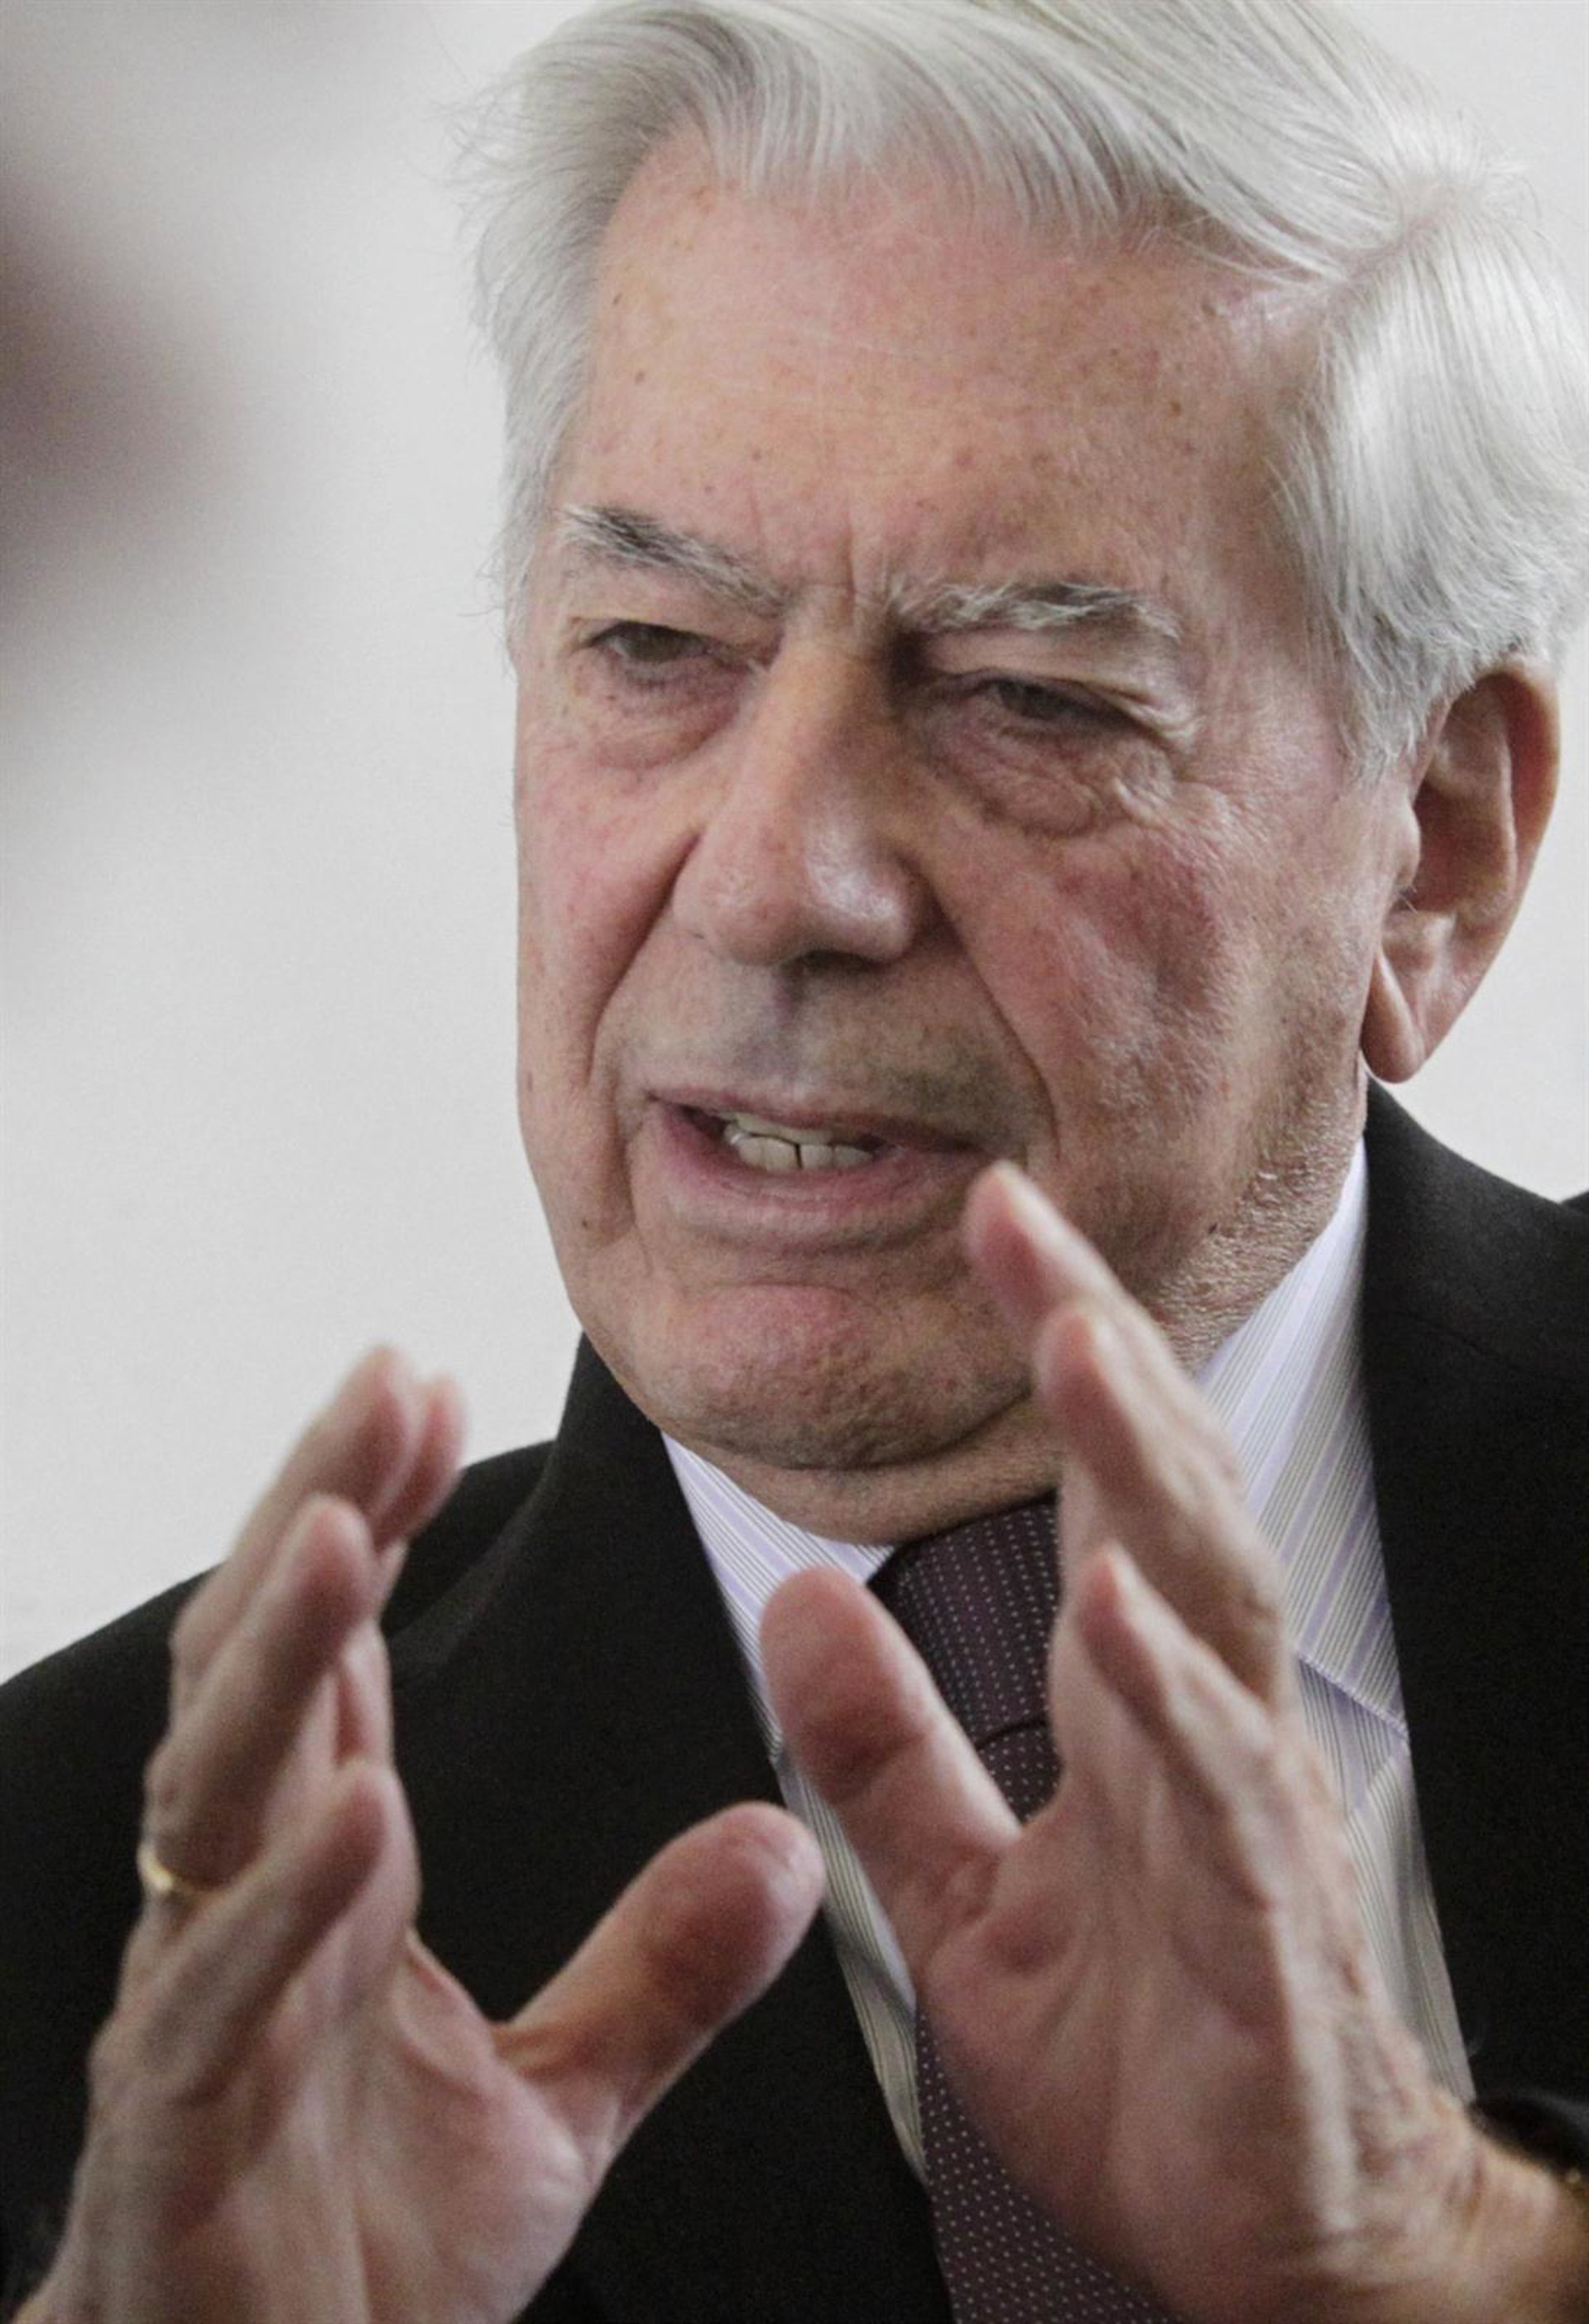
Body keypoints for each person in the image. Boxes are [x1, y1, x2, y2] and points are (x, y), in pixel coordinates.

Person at [2, 0, 1587, 2317]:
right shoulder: (73, 1942)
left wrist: (1468, 2263)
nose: (776, 881)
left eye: (1032, 697)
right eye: (658, 647)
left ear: (1433, 852)